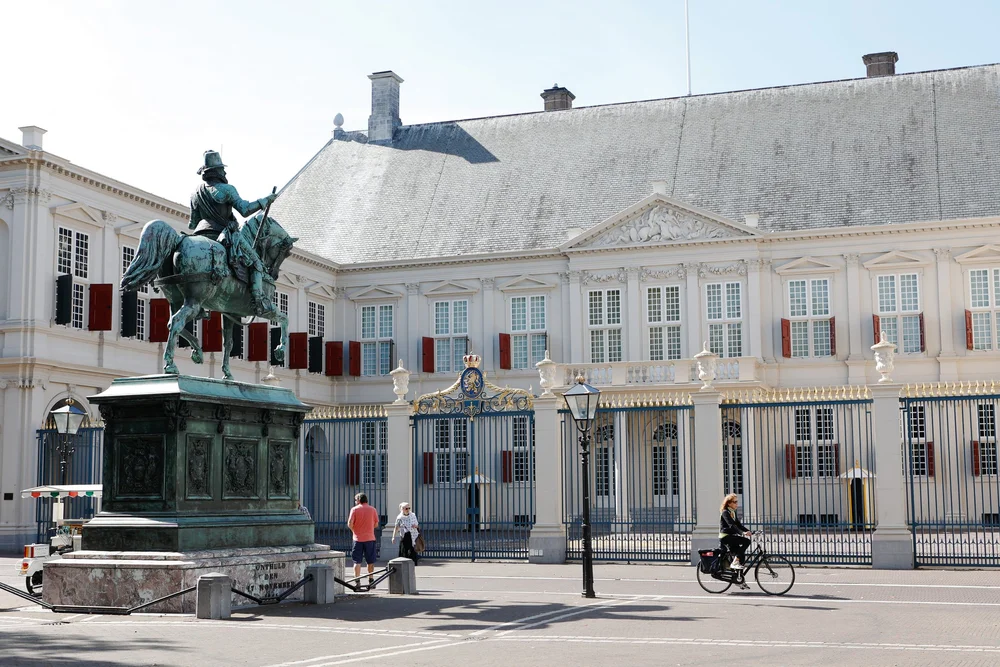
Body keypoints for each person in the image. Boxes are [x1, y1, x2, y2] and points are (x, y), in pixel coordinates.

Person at [189, 149, 278, 313]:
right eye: (222, 168)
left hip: (200, 235)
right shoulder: (227, 189)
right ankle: (258, 300)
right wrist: (266, 200)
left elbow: (193, 222)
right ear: (218, 171)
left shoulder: (196, 193)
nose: (225, 171)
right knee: (257, 263)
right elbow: (245, 210)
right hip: (224, 235)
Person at [347, 492, 380, 588]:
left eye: (355, 500)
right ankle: (371, 579)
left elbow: (350, 523)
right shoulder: (372, 510)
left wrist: (354, 530)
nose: (355, 501)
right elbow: (376, 524)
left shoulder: (354, 509)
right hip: (370, 538)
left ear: (358, 500)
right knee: (370, 561)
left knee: (357, 561)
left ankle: (357, 580)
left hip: (357, 539)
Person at [719, 493, 752, 570]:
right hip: (725, 536)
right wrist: (742, 533)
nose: (737, 504)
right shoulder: (725, 512)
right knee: (747, 542)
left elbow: (739, 525)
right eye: (735, 502)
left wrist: (749, 531)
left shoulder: (733, 512)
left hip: (731, 536)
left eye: (737, 501)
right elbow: (731, 525)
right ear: (729, 503)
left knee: (741, 556)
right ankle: (734, 563)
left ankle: (738, 578)